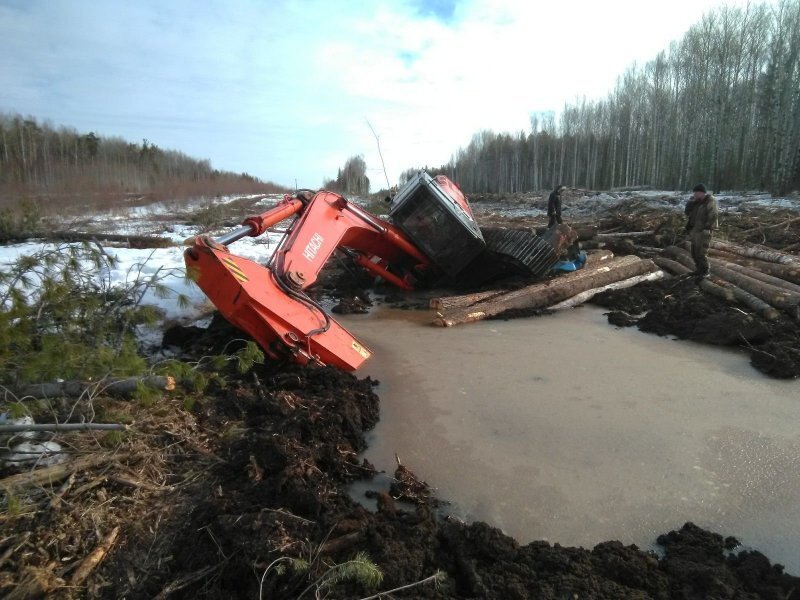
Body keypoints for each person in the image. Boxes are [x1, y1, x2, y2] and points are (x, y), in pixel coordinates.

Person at [684, 183, 719, 278]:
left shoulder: (710, 201)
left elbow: (713, 215)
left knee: (701, 252)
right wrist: (690, 203)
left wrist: (707, 227)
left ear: (702, 193)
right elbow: (687, 213)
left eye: (696, 192)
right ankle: (698, 270)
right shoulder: (697, 202)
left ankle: (705, 271)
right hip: (695, 230)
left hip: (704, 231)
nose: (694, 194)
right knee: (694, 251)